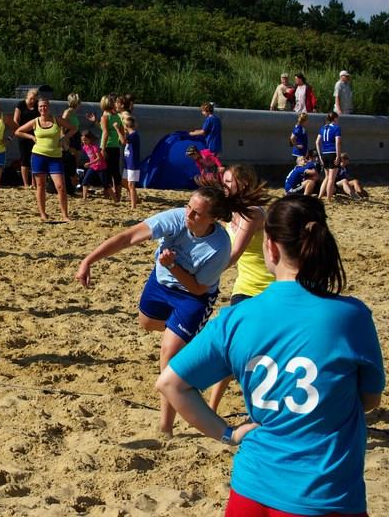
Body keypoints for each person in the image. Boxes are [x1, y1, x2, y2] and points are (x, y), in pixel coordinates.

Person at [156, 194, 384, 517]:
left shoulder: (237, 318)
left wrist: (228, 433)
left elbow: (170, 384)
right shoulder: (351, 316)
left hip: (250, 491)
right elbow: (370, 399)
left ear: (271, 248)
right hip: (324, 494)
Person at [76, 179, 268, 437]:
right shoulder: (176, 218)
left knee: (168, 354)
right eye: (188, 207)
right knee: (146, 323)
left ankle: (165, 428)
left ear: (212, 219)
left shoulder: (219, 246)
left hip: (193, 297)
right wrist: (89, 260)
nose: (188, 214)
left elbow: (198, 289)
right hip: (160, 283)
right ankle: (187, 336)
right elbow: (129, 237)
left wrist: (174, 267)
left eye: (196, 213)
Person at [207, 165, 274, 412]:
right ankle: (212, 408)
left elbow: (234, 254)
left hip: (268, 289)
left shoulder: (253, 213)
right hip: (243, 287)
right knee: (233, 346)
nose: (224, 186)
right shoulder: (231, 214)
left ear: (243, 184)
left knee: (258, 350)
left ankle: (265, 405)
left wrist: (203, 275)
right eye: (223, 181)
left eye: (229, 181)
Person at [14, 97, 77, 221]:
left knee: (60, 186)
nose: (43, 108)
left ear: (49, 107)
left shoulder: (57, 120)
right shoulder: (35, 121)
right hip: (38, 155)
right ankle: (43, 214)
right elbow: (18, 131)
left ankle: (65, 215)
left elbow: (74, 128)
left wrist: (64, 137)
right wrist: (31, 137)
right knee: (40, 185)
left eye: (45, 106)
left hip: (55, 157)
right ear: (38, 108)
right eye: (41, 106)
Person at [99, 95, 123, 202]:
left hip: (107, 146)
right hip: (116, 147)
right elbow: (121, 131)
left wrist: (103, 149)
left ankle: (110, 195)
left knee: (106, 171)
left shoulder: (105, 117)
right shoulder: (117, 116)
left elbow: (105, 133)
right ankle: (118, 195)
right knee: (115, 171)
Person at [13, 88, 38, 188]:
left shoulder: (37, 105)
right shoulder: (21, 105)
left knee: (34, 159)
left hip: (35, 135)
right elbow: (16, 120)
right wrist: (17, 130)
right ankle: (25, 183)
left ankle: (34, 183)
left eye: (34, 99)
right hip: (23, 134)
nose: (33, 101)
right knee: (24, 158)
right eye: (31, 98)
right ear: (27, 96)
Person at [315, 111, 341, 203]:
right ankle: (329, 199)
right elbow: (338, 142)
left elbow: (317, 142)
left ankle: (320, 196)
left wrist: (319, 155)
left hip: (324, 154)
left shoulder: (323, 128)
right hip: (332, 153)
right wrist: (338, 155)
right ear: (335, 118)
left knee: (327, 177)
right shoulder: (336, 128)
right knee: (331, 178)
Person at [79, 130, 110, 200]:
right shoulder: (85, 147)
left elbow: (99, 158)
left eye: (85, 140)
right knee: (85, 182)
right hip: (93, 167)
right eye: (82, 140)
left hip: (101, 167)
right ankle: (84, 198)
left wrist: (89, 163)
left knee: (105, 184)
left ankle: (115, 199)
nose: (84, 142)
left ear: (90, 139)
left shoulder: (94, 147)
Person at [119, 115, 140, 209]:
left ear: (126, 126)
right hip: (128, 164)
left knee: (131, 185)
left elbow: (123, 142)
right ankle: (135, 197)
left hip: (133, 164)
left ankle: (133, 205)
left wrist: (118, 130)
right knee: (124, 182)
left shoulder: (134, 135)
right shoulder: (130, 134)